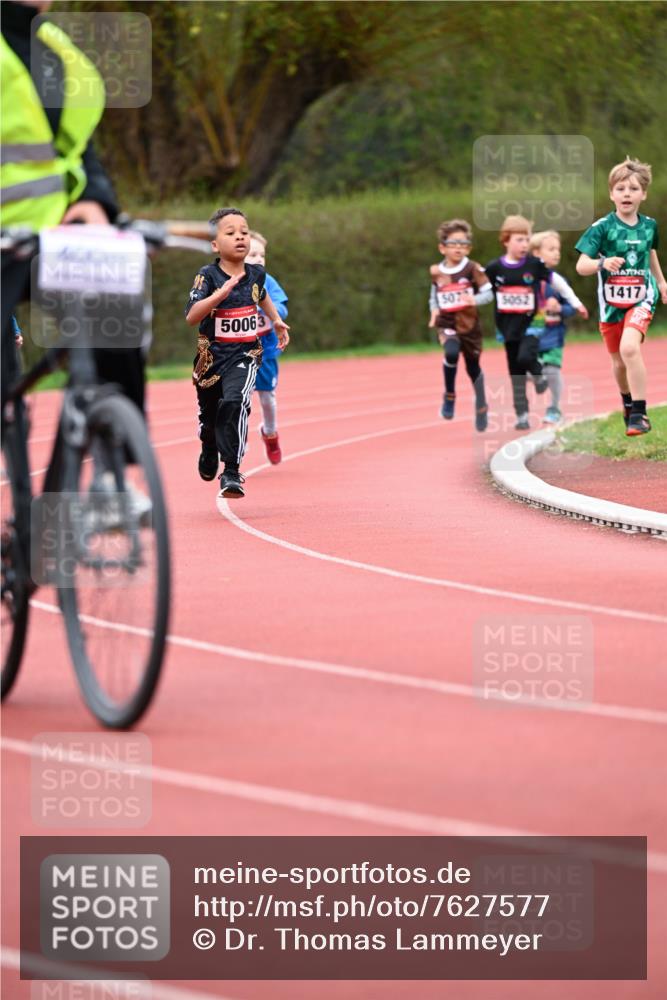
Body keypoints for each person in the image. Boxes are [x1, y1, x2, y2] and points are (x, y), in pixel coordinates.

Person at [1, 0, 146, 416]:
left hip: (50, 237)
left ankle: (112, 440)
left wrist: (94, 202)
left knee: (113, 299)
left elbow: (76, 151)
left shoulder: (56, 50)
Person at [186, 207, 289, 499]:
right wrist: (219, 295)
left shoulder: (257, 274)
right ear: (215, 244)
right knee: (211, 415)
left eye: (244, 232)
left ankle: (231, 470)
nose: (240, 237)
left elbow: (262, 294)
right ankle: (208, 446)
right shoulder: (206, 276)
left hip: (245, 354)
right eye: (231, 233)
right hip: (211, 359)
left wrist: (276, 320)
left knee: (236, 402)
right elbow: (192, 316)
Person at [575, 157, 667, 436]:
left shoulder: (649, 226)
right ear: (611, 193)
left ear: (644, 194)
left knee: (630, 348)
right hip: (612, 303)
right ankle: (627, 402)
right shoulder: (601, 228)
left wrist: (661, 282)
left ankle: (640, 412)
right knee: (618, 361)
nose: (627, 193)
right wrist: (602, 263)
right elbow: (581, 266)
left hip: (641, 296)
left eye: (634, 189)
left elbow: (650, 253)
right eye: (621, 188)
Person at [485, 216, 554, 430]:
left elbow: (554, 279)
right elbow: (484, 292)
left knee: (525, 356)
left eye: (527, 240)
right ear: (506, 240)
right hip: (507, 326)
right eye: (519, 240)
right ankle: (522, 413)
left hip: (531, 320)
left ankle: (538, 372)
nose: (525, 244)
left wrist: (574, 301)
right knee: (515, 371)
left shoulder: (533, 265)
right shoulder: (494, 268)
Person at [428, 218, 492, 431]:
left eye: (463, 244)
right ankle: (449, 395)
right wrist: (434, 310)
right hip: (447, 323)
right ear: (442, 247)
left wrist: (474, 300)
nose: (458, 248)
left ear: (469, 248)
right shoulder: (438, 271)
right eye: (453, 243)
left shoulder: (473, 268)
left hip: (470, 326)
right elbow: (434, 295)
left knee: (473, 367)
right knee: (451, 353)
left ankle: (481, 403)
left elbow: (488, 293)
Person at [526, 230, 588, 424]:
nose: (556, 253)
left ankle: (554, 409)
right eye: (551, 249)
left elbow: (571, 308)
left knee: (552, 371)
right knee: (526, 371)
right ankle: (539, 378)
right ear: (536, 253)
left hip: (554, 336)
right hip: (531, 336)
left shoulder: (559, 282)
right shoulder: (526, 279)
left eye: (558, 249)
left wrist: (560, 308)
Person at [245, 231, 288, 464]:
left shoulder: (268, 282)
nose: (259, 259)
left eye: (262, 255)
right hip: (236, 351)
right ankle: (236, 438)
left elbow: (282, 306)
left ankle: (270, 432)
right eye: (253, 254)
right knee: (237, 398)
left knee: (266, 398)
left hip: (266, 351)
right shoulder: (227, 282)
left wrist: (268, 311)